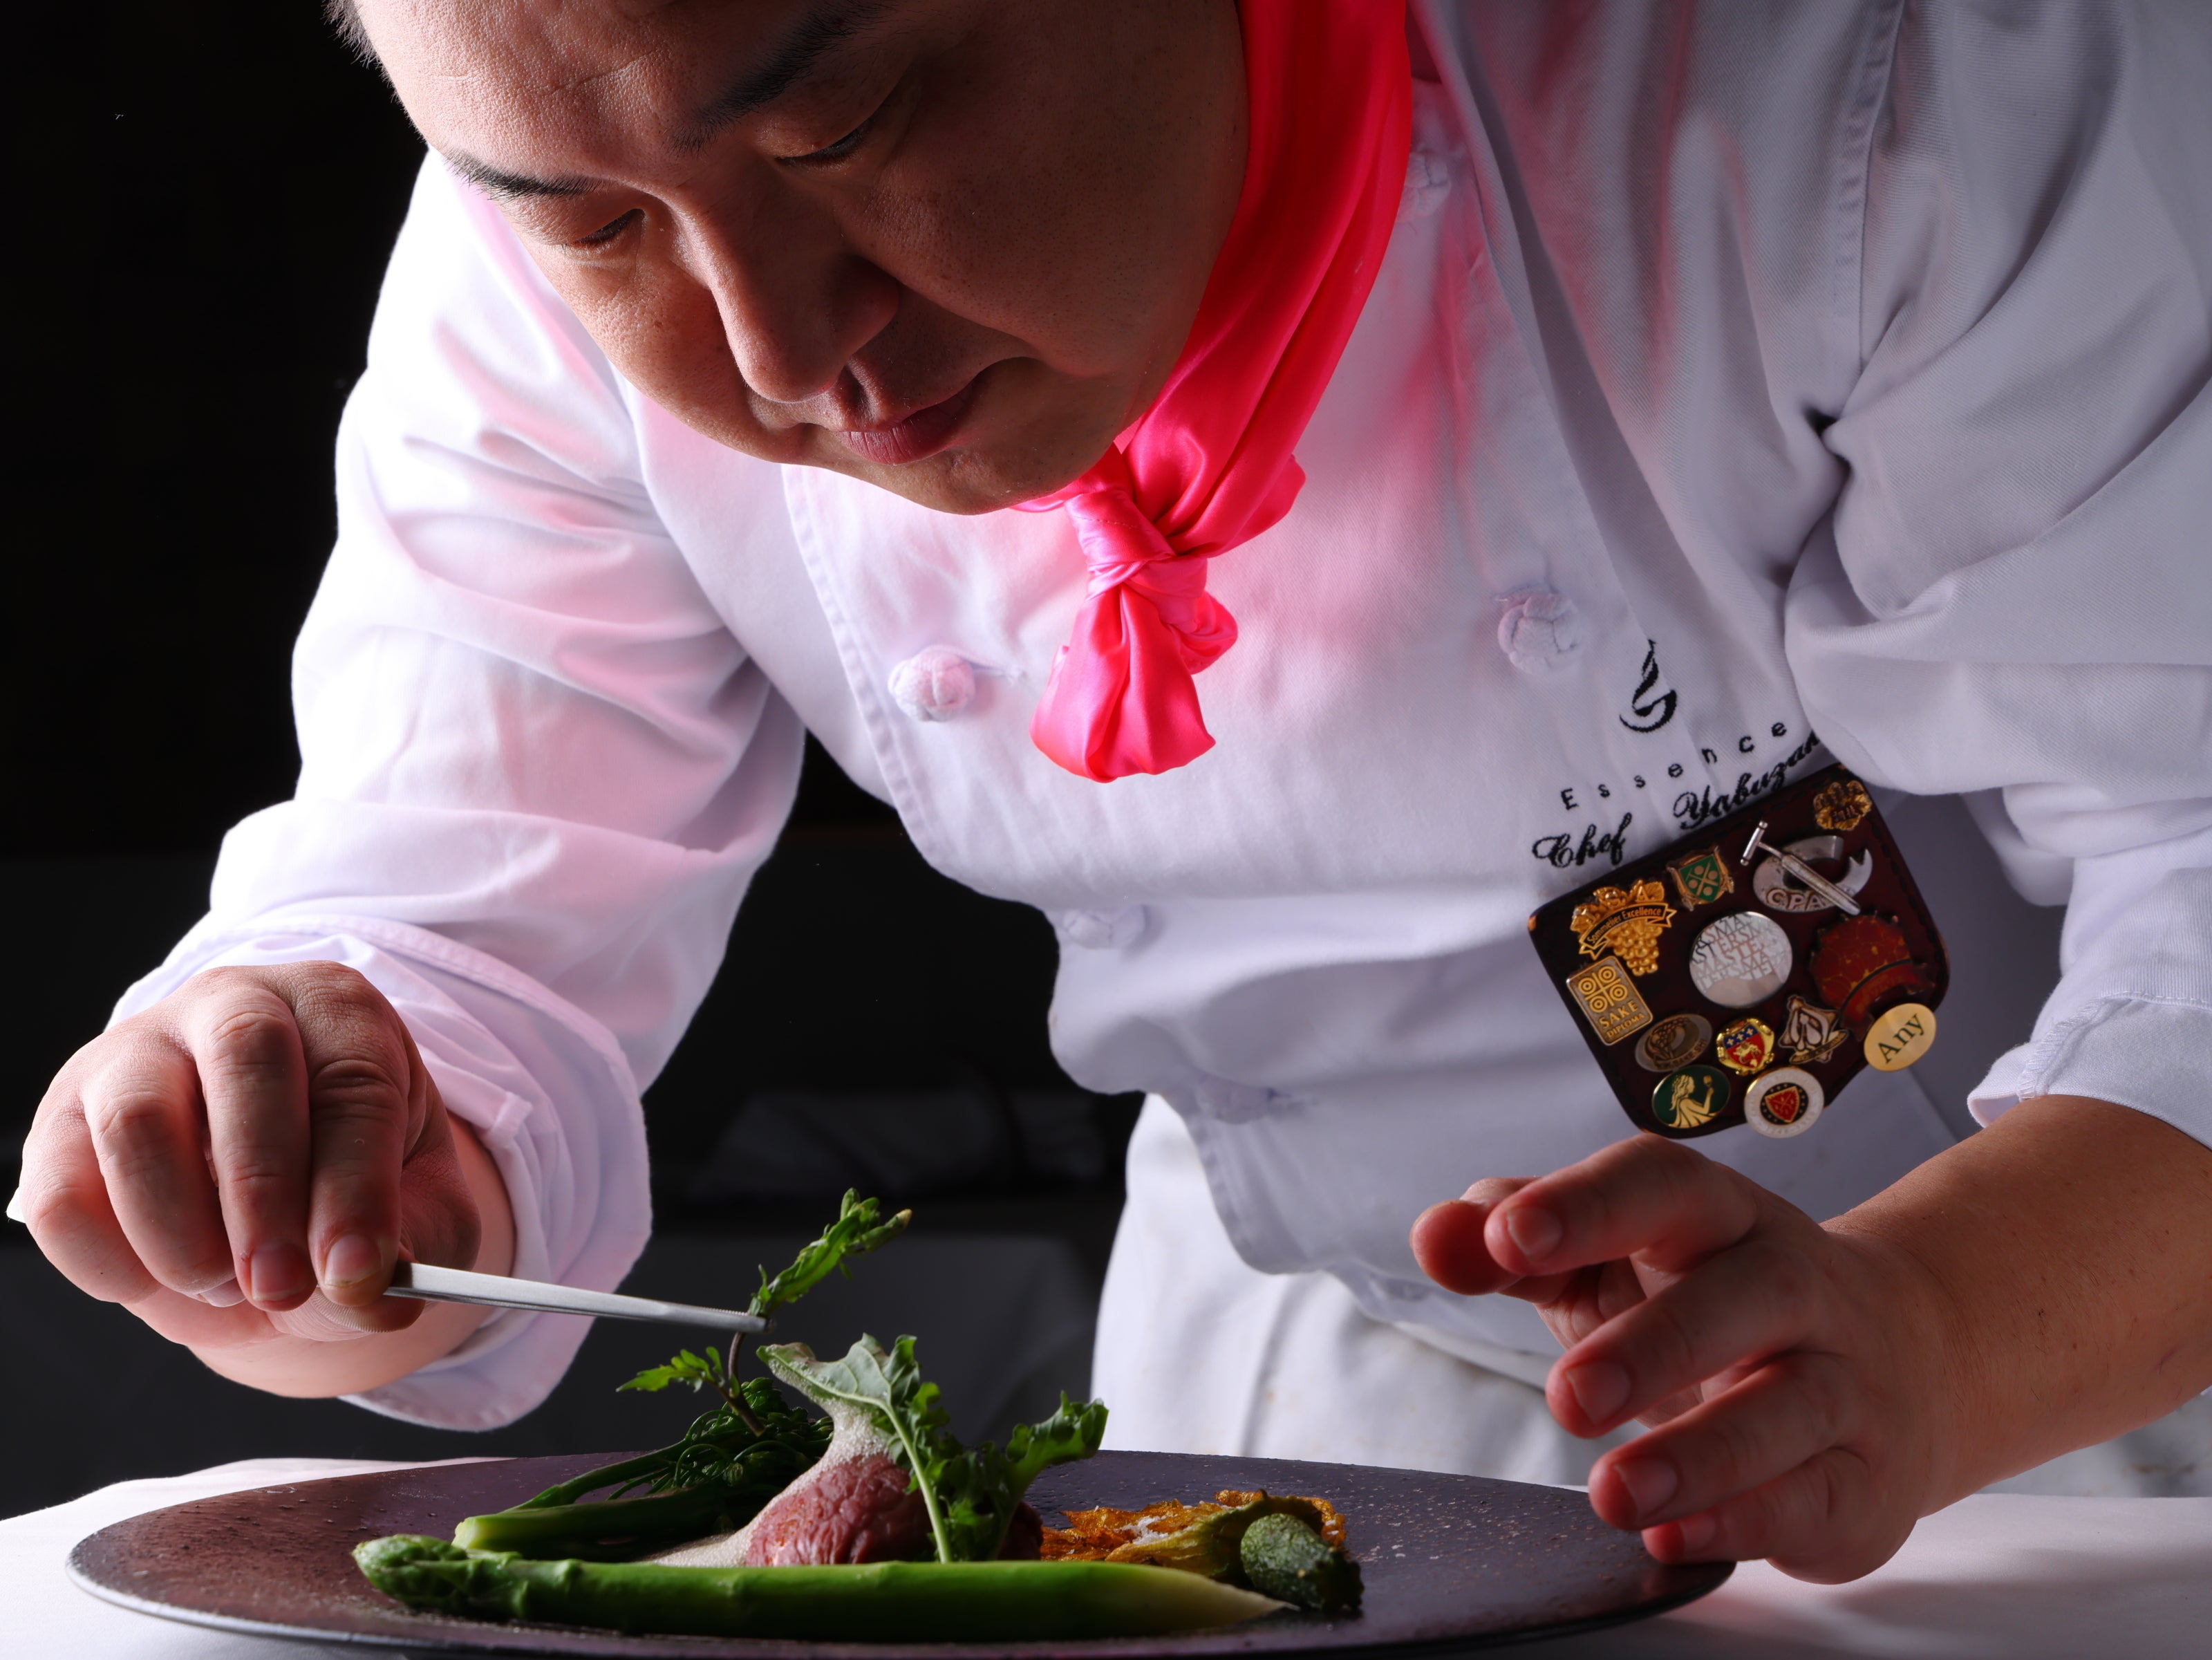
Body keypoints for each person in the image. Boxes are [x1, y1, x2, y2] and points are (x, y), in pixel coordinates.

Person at [15, 0, 2211, 1584]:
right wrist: (322, 1136)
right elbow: (448, 943)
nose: (777, 349)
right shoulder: (552, 235)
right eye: (592, 221)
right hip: (1315, 1385)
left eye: (849, 120)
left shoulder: (1860, 86)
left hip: (2069, 1366)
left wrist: (1927, 1334)